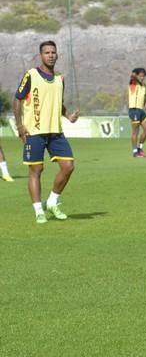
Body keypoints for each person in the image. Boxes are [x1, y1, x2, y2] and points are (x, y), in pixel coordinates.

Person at [13, 40, 79, 224]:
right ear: (41, 55)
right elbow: (17, 100)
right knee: (36, 170)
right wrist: (19, 125)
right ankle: (38, 211)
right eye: (47, 52)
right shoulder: (31, 75)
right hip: (34, 132)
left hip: (55, 132)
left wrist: (68, 116)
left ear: (57, 55)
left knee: (68, 166)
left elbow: (58, 103)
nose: (51, 55)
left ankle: (52, 201)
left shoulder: (60, 79)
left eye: (53, 52)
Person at [128, 67, 146, 158]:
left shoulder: (144, 86)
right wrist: (134, 73)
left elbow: (144, 99)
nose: (142, 77)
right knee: (135, 132)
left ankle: (140, 148)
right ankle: (135, 152)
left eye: (143, 76)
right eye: (140, 76)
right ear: (136, 75)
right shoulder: (133, 83)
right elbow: (132, 77)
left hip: (141, 110)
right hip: (134, 110)